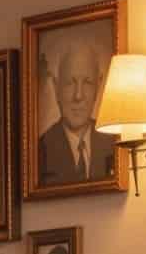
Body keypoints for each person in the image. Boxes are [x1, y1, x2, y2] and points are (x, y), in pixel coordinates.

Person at [38, 43, 117, 186]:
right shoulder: (40, 150)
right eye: (70, 83)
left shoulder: (113, 143)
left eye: (87, 82)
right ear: (56, 88)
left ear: (99, 86)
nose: (78, 96)